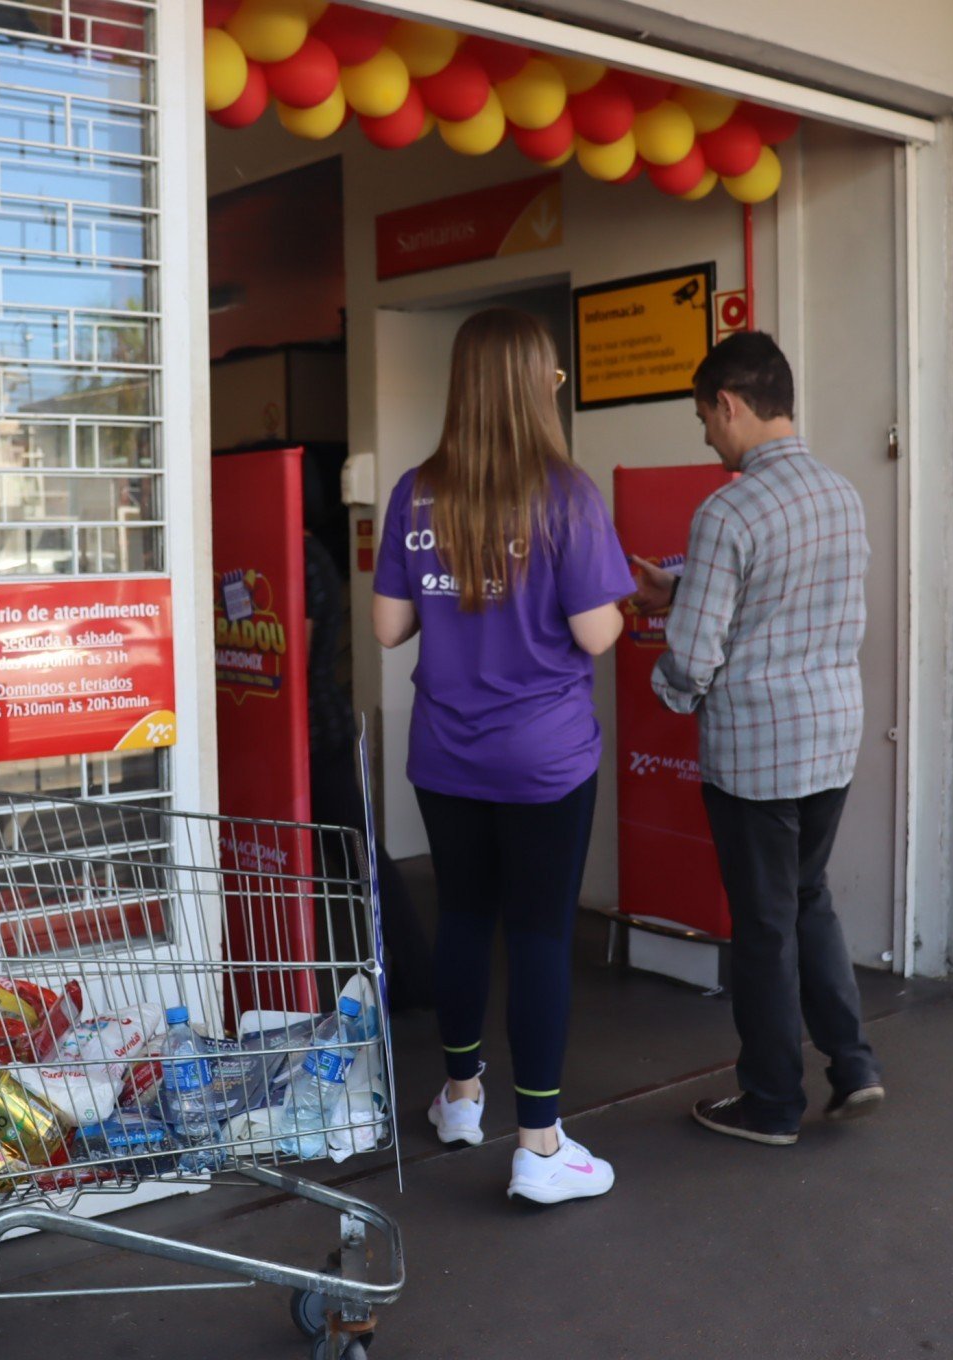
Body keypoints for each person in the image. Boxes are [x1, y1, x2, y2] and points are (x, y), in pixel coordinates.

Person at [372, 307, 631, 1205]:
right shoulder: (566, 492)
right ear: (536, 386)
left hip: (446, 752)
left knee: (462, 920)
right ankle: (542, 1144)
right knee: (538, 934)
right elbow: (598, 633)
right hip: (544, 760)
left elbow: (389, 624)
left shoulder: (415, 490)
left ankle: (458, 1095)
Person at [632, 331, 884, 1147]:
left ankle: (773, 1103)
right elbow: (785, 600)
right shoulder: (842, 494)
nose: (707, 436)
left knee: (763, 928)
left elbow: (696, 657)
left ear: (730, 403)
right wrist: (681, 587)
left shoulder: (729, 507)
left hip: (756, 757)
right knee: (808, 900)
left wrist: (663, 684)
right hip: (829, 742)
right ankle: (854, 1065)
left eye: (707, 417)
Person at [302, 525, 435, 1012]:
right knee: (355, 860)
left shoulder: (304, 556)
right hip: (305, 736)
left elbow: (291, 656)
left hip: (317, 737)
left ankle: (420, 976)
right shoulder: (294, 554)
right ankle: (419, 975)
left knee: (362, 860)